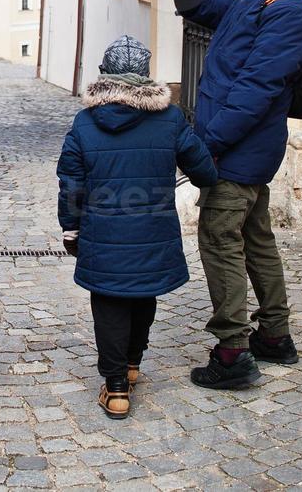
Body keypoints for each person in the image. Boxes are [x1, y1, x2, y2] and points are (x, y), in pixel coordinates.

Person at [173, 0, 302, 390]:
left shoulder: (291, 10)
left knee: (220, 239)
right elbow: (193, 4)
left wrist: (207, 146)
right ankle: (275, 337)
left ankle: (233, 352)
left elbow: (257, 89)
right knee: (256, 238)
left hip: (238, 149)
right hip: (243, 150)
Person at [57, 35, 218, 419]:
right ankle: (131, 365)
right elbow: (204, 171)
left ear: (104, 75)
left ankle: (115, 389)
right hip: (153, 231)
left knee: (109, 300)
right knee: (144, 293)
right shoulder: (170, 118)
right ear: (146, 78)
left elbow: (71, 183)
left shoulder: (84, 123)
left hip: (102, 232)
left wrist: (71, 229)